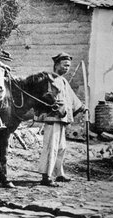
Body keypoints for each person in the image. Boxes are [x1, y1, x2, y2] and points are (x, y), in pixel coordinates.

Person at [37, 52, 86, 187]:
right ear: (56, 65)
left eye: (68, 66)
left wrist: (82, 107)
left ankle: (59, 174)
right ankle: (46, 176)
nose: (66, 68)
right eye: (64, 65)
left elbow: (72, 99)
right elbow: (46, 97)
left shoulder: (63, 81)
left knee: (61, 148)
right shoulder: (49, 79)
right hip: (53, 117)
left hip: (62, 119)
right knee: (51, 147)